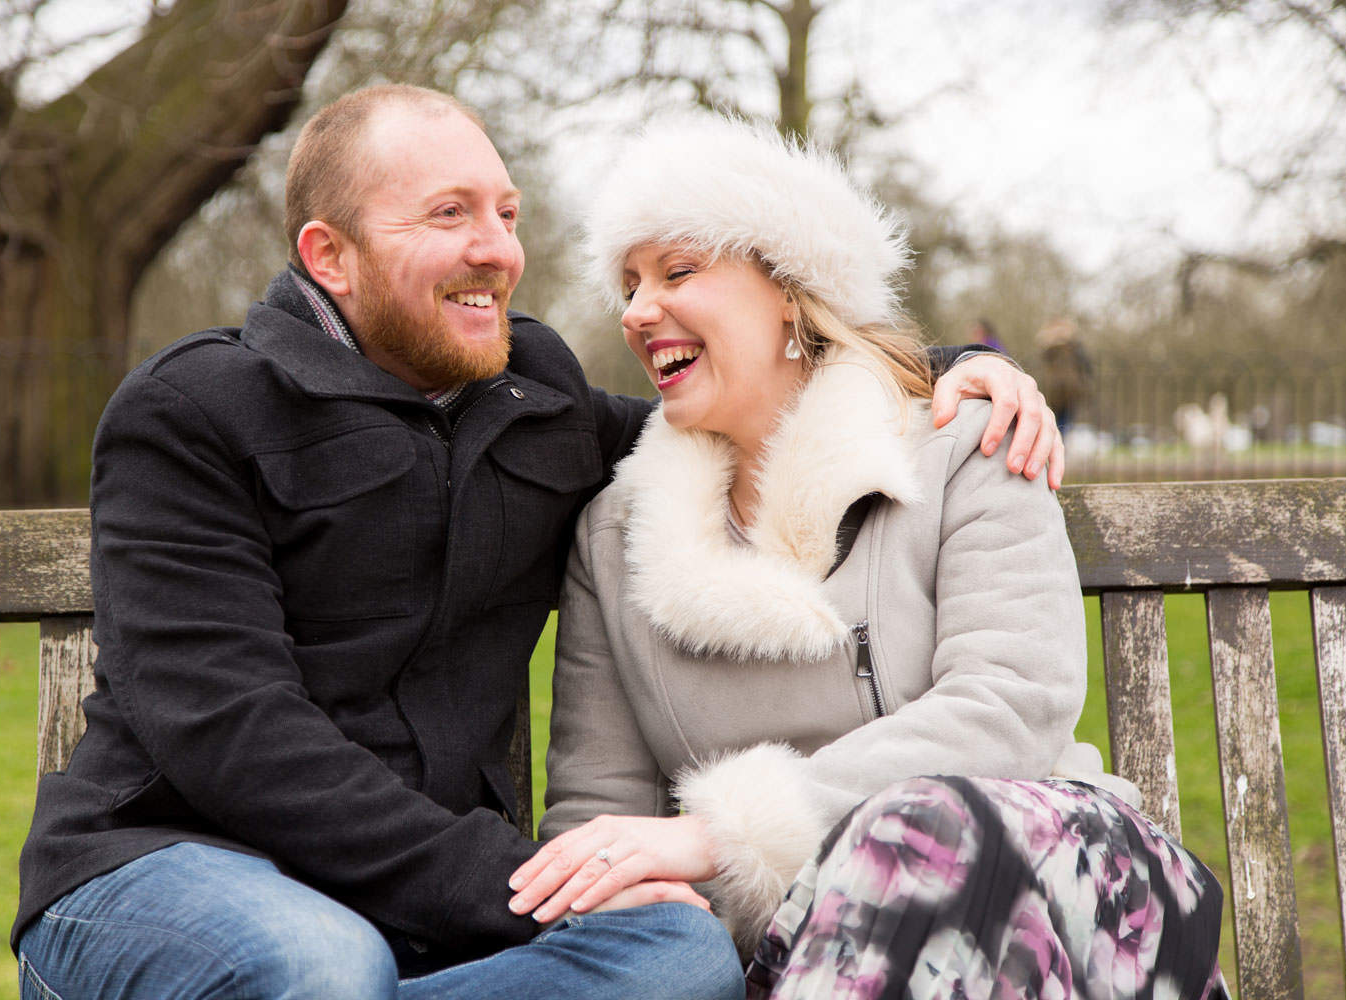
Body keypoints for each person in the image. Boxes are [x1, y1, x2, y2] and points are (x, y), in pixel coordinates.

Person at [12, 86, 1065, 999]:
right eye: (450, 213)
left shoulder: (534, 402)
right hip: (168, 869)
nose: (498, 248)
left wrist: (940, 366)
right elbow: (235, 733)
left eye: (507, 213)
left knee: (675, 960)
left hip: (423, 923)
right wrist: (500, 879)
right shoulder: (195, 410)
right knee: (326, 966)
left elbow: (735, 399)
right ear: (328, 255)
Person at [515, 115, 1226, 998]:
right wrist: (650, 898)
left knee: (916, 825)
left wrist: (722, 834)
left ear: (790, 289)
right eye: (628, 284)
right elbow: (599, 818)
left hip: (1056, 888)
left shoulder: (967, 443)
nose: (636, 310)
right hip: (810, 949)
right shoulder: (616, 533)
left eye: (679, 270)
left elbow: (1010, 706)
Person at [1037, 317, 1092, 435]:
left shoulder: (1049, 348)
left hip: (1054, 390)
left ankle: (1054, 441)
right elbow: (1085, 366)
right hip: (1069, 389)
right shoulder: (1073, 347)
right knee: (1064, 422)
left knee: (1055, 420)